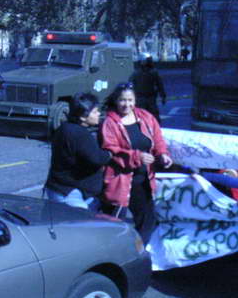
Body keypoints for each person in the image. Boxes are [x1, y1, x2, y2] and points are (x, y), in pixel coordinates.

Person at [100, 82, 173, 243]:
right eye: (122, 100)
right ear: (116, 101)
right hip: (120, 182)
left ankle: (140, 254)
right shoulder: (110, 123)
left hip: (144, 180)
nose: (127, 104)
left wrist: (162, 154)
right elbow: (111, 150)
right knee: (114, 226)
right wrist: (136, 157)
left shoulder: (146, 117)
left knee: (147, 221)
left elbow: (158, 139)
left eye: (130, 100)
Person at [44, 93, 111, 212]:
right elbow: (97, 158)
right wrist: (109, 154)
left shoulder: (63, 128)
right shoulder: (80, 134)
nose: (99, 114)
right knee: (79, 224)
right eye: (95, 112)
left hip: (58, 188)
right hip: (69, 193)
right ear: (83, 116)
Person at [129, 53, 166, 124]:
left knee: (153, 117)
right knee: (141, 116)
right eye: (148, 60)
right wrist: (163, 96)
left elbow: (159, 85)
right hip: (142, 98)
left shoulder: (151, 72)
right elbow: (160, 85)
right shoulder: (137, 73)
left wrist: (163, 95)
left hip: (148, 98)